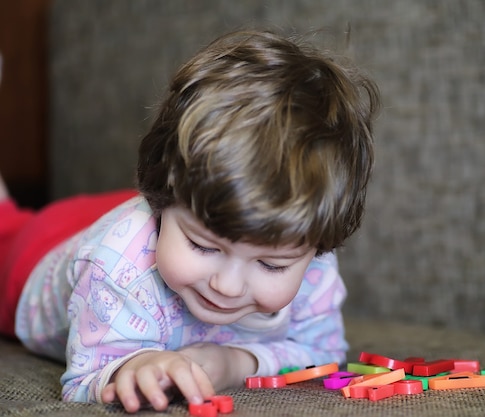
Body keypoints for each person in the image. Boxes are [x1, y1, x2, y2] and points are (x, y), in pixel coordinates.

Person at [0, 29, 379, 413]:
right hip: (36, 255)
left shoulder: (307, 254)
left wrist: (232, 362)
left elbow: (323, 354)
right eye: (203, 246)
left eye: (271, 264)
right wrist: (133, 366)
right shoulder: (114, 265)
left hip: (144, 219)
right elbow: (83, 380)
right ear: (159, 198)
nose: (227, 286)